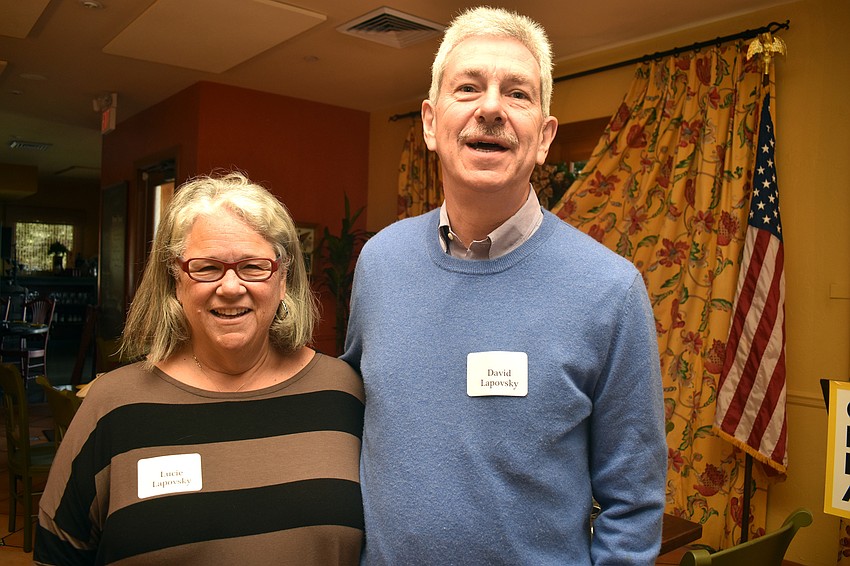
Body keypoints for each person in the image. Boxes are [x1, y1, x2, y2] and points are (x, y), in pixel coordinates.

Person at [342, 7, 666, 565]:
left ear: (543, 137)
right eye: (468, 87)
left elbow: (632, 503)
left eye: (517, 93)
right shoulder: (379, 262)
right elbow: (350, 425)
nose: (490, 107)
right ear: (428, 123)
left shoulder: (609, 290)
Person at [35, 172, 365, 565]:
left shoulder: (343, 392)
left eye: (253, 266)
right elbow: (57, 553)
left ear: (283, 277)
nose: (230, 287)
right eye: (207, 267)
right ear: (176, 281)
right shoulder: (114, 405)